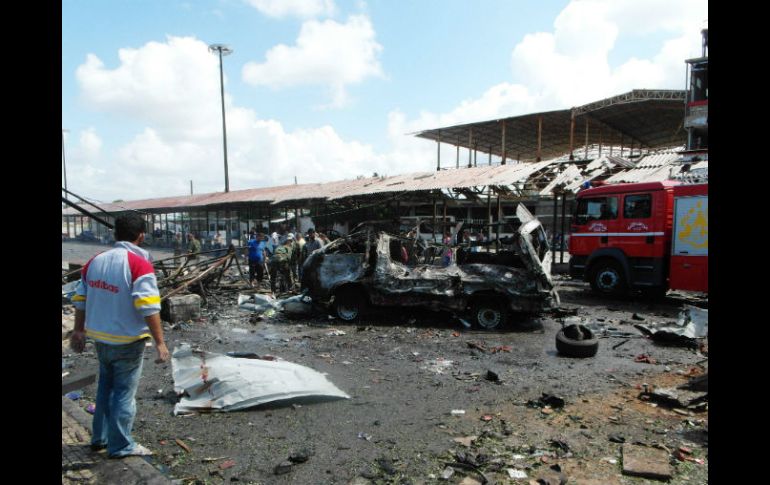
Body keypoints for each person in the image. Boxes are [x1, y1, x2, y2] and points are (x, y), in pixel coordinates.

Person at [69, 213, 169, 458]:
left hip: (100, 339)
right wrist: (160, 342)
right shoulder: (138, 264)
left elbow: (80, 299)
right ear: (141, 236)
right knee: (124, 394)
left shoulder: (94, 261)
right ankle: (121, 446)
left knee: (105, 389)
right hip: (127, 341)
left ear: (115, 235)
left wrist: (79, 330)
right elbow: (148, 306)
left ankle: (99, 438)